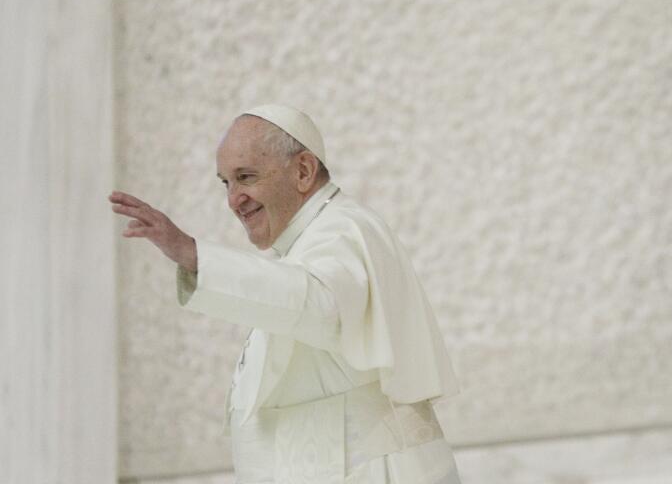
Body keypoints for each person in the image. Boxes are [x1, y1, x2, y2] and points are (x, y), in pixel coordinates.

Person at [111, 104, 461, 484]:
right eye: (225, 183)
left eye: (246, 177)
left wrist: (194, 256)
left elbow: (320, 305)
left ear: (304, 171)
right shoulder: (306, 244)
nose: (233, 200)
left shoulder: (343, 229)